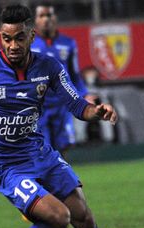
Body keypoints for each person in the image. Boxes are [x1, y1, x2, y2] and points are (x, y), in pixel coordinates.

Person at [0, 4, 117, 228]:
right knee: (58, 218)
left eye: (20, 38)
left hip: (40, 154)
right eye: (7, 39)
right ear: (0, 37)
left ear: (31, 36)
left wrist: (96, 111)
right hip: (7, 165)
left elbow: (76, 104)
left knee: (84, 218)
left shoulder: (49, 66)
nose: (13, 46)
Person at [31, 1, 98, 158]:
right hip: (38, 106)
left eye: (49, 15)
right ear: (35, 20)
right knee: (42, 149)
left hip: (62, 104)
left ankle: (61, 180)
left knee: (64, 146)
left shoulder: (68, 44)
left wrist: (85, 94)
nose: (46, 19)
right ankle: (44, 179)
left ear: (55, 18)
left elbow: (75, 75)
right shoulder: (29, 44)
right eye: (42, 15)